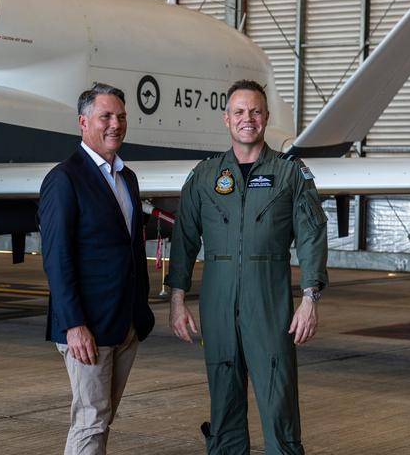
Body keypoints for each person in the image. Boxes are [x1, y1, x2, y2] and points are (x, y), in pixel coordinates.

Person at [166, 79, 328, 455]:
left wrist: (310, 297)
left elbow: (311, 235)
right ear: (226, 119)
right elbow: (185, 239)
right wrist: (177, 299)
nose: (247, 119)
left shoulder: (290, 175)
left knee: (278, 401)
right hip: (217, 304)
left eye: (255, 111)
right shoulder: (205, 176)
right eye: (239, 112)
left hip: (269, 305)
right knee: (223, 404)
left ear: (266, 117)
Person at [38, 83, 155, 455]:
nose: (115, 124)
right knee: (90, 420)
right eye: (105, 116)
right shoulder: (64, 179)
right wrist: (74, 325)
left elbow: (130, 247)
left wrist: (139, 313)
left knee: (101, 418)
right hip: (86, 326)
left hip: (124, 323)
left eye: (121, 116)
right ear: (83, 122)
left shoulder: (127, 178)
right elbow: (56, 258)